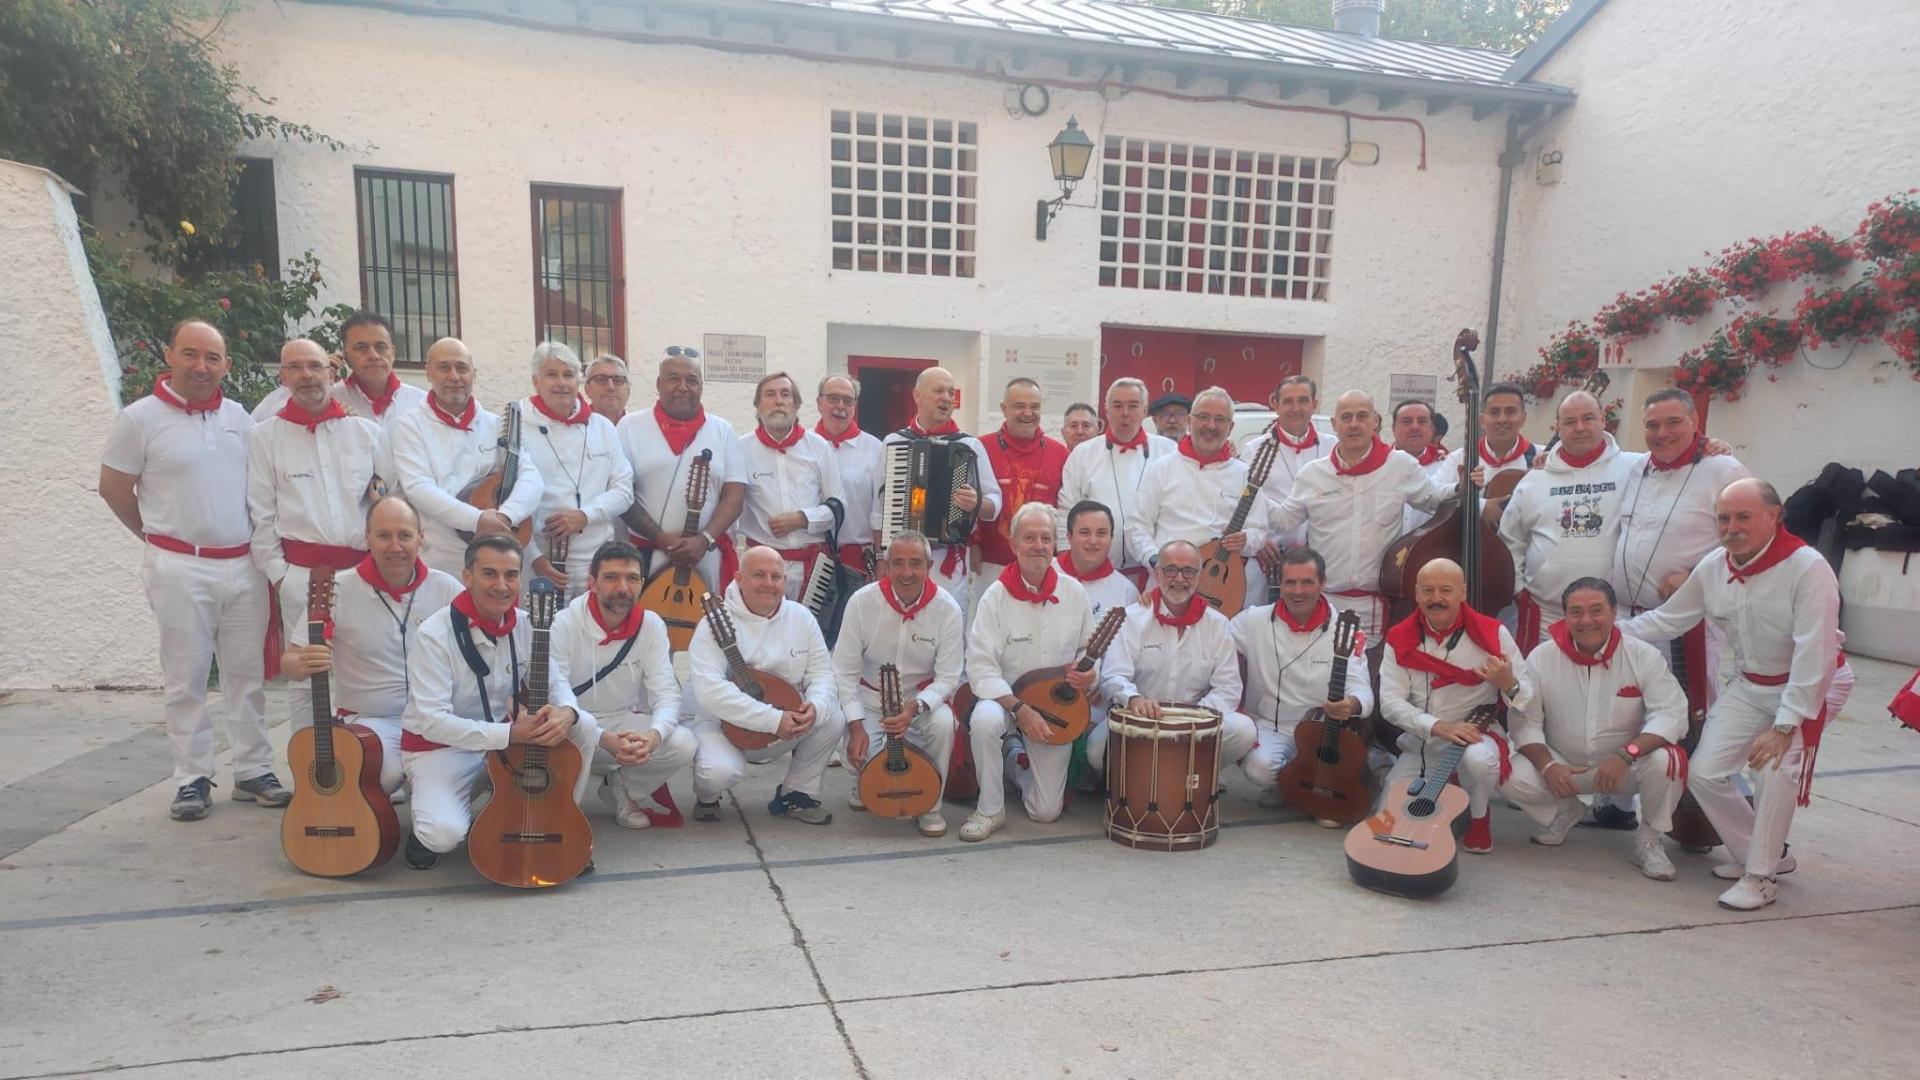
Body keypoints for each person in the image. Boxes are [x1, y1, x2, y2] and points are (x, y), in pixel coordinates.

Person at [1619, 479, 1840, 911]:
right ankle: (1763, 854)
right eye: (1724, 517)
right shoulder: (1715, 565)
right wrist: (1607, 631)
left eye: (1744, 516)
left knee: (1774, 771)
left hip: (1808, 683)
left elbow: (1817, 653)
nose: (1732, 527)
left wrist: (1784, 726)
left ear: (1775, 517)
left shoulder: (1807, 567)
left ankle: (1760, 877)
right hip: (1752, 683)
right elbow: (1667, 620)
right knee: (1704, 773)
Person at [98, 319, 284, 820]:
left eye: (212, 357)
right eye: (191, 354)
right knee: (187, 678)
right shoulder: (139, 419)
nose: (201, 366)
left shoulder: (241, 418)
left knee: (246, 677)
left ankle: (253, 770)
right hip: (180, 567)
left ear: (225, 364)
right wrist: (155, 539)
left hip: (244, 566)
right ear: (170, 355)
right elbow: (114, 488)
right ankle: (192, 778)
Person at [399, 535, 635, 870]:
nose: (502, 585)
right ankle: (435, 805)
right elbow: (432, 721)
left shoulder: (527, 624)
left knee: (581, 723)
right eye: (489, 574)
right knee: (443, 834)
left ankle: (558, 816)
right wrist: (511, 735)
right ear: (467, 576)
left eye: (510, 575)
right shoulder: (434, 635)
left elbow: (556, 683)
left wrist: (566, 712)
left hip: (504, 746)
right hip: (440, 749)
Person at [248, 338, 394, 730]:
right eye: (294, 368)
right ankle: (312, 772)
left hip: (362, 573)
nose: (306, 375)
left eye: (314, 366)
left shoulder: (366, 433)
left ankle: (371, 762)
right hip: (301, 575)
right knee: (306, 678)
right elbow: (260, 514)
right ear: (283, 377)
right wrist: (279, 574)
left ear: (332, 373)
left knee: (366, 666)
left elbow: (386, 500)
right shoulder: (264, 437)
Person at [1501, 578, 1689, 879]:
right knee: (1505, 770)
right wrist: (1548, 766)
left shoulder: (1643, 655)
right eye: (1576, 612)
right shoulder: (1542, 657)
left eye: (1596, 610)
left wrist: (1626, 754)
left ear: (1615, 612)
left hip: (1623, 769)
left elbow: (1672, 714)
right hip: (1565, 768)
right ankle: (1565, 810)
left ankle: (1650, 840)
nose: (1586, 620)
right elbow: (1526, 721)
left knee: (1670, 761)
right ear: (1565, 616)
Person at [279, 496, 462, 798]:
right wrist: (301, 663)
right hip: (371, 722)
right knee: (377, 775)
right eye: (383, 535)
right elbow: (290, 661)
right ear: (367, 538)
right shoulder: (338, 588)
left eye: (404, 535)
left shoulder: (447, 588)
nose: (395, 546)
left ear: (421, 538)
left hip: (436, 717)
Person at [1264, 390, 1454, 643]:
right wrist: (1247, 489)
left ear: (1375, 421)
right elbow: (1283, 520)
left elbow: (1434, 499)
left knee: (1370, 677)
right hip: (1324, 601)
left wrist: (1466, 486)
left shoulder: (1399, 466)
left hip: (1378, 605)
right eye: (1346, 417)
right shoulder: (1314, 474)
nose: (1354, 424)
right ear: (1334, 424)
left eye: (1362, 416)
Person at [1379, 558, 1533, 855]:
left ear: (1462, 592)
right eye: (1428, 590)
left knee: (1478, 761)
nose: (1436, 598)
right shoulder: (1399, 637)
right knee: (1385, 820)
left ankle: (1479, 816)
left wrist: (1507, 682)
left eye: (1446, 590)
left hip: (1475, 734)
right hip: (1423, 739)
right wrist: (1436, 727)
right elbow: (1389, 702)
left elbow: (1526, 698)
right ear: (1416, 593)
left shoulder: (1493, 633)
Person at [962, 504, 1096, 842]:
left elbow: (1088, 651)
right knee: (985, 721)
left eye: (1046, 538)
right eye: (1030, 538)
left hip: (1054, 705)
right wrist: (1019, 711)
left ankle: (1013, 759)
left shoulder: (1074, 593)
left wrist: (1088, 675)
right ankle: (990, 808)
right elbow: (980, 666)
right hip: (1006, 698)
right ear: (1014, 543)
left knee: (1045, 811)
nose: (1038, 545)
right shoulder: (994, 596)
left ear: (1055, 545)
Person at [686, 546, 846, 824]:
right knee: (717, 774)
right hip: (724, 726)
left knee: (832, 718)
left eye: (776, 576)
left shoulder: (801, 617)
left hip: (785, 722)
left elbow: (822, 675)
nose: (768, 584)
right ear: (739, 578)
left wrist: (815, 708)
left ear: (785, 581)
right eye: (759, 575)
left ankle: (795, 793)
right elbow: (710, 690)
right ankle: (707, 796)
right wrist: (772, 719)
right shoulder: (714, 622)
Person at [548, 540, 695, 830]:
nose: (623, 588)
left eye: (632, 578)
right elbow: (558, 693)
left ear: (642, 583)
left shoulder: (651, 624)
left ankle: (623, 788)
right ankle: (565, 820)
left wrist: (653, 735)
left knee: (683, 743)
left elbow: (666, 692)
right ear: (592, 582)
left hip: (620, 723)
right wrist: (602, 737)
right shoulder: (564, 623)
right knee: (578, 730)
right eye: (611, 577)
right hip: (572, 727)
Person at [831, 531, 965, 837]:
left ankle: (931, 806)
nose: (907, 573)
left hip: (919, 703)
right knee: (852, 748)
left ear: (929, 566)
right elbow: (844, 670)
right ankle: (862, 778)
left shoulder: (947, 609)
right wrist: (856, 727)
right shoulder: (862, 603)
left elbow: (948, 676)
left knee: (944, 724)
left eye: (916, 563)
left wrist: (916, 707)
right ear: (886, 565)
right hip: (871, 702)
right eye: (899, 563)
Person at [1091, 540, 1256, 783]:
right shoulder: (1133, 618)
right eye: (1170, 570)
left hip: (1194, 722)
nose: (1179, 578)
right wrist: (1134, 699)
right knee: (1097, 750)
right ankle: (1154, 780)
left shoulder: (1217, 624)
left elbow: (1229, 687)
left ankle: (1193, 776)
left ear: (1199, 576)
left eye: (1188, 571)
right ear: (1157, 573)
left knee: (1243, 730)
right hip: (1142, 719)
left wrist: (1195, 717)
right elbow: (1113, 676)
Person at [1230, 546, 1373, 818]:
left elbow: (1360, 685)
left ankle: (1311, 782)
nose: (1298, 591)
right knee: (1259, 770)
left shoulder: (1346, 627)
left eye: (1307, 582)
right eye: (1290, 583)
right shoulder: (1253, 620)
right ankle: (1295, 786)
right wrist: (1152, 603)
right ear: (1280, 585)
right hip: (1272, 727)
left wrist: (1352, 704)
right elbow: (1210, 631)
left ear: (1323, 583)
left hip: (1321, 730)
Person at [390, 338, 545, 576]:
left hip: (496, 558)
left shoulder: (495, 424)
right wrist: (476, 519)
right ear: (428, 373)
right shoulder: (410, 426)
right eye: (444, 367)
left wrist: (506, 516)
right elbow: (418, 487)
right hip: (440, 559)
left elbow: (531, 476)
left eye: (462, 368)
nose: (454, 376)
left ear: (474, 374)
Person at [1499, 391, 1637, 654]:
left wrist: (1711, 447)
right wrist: (1520, 590)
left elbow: (1679, 469)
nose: (1580, 428)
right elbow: (1511, 540)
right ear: (1558, 428)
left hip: (1612, 613)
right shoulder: (1534, 480)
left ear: (1603, 420)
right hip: (1547, 613)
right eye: (1570, 421)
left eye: (1588, 418)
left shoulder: (1634, 468)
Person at [617, 347, 748, 604]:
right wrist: (661, 538)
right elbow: (621, 492)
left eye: (692, 380)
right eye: (673, 378)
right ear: (658, 384)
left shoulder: (722, 430)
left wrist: (705, 539)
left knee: (706, 633)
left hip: (705, 557)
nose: (683, 387)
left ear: (701, 386)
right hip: (647, 554)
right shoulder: (630, 427)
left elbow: (734, 494)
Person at [1125, 387, 1269, 607]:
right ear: (1190, 421)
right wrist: (1155, 559)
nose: (1211, 426)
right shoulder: (1161, 469)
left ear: (1231, 427)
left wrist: (1246, 540)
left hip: (1223, 588)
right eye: (1203, 417)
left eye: (1219, 419)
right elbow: (1137, 526)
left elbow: (1259, 530)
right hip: (1169, 583)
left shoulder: (1245, 475)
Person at [874, 366, 1002, 613]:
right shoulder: (894, 443)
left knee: (948, 629)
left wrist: (976, 503)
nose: (946, 398)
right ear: (917, 396)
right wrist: (881, 559)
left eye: (951, 392)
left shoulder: (967, 444)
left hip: (948, 562)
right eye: (939, 391)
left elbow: (995, 503)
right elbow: (877, 509)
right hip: (902, 561)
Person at [519, 342, 634, 599]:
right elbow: (506, 500)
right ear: (536, 381)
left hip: (597, 561)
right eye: (552, 374)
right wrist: (535, 559)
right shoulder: (518, 425)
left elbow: (624, 491)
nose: (561, 382)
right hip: (539, 561)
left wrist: (585, 515)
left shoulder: (603, 428)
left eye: (568, 375)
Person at [1056, 378, 1176, 589]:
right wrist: (1067, 563)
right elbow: (1067, 511)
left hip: (1155, 575)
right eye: (1118, 405)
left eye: (1133, 405)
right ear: (1106, 409)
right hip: (1095, 575)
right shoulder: (1083, 454)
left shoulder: (1168, 452)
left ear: (1145, 410)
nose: (1125, 413)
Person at [736, 371, 844, 600]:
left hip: (813, 569)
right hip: (761, 569)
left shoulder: (818, 447)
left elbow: (837, 507)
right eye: (770, 395)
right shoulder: (740, 449)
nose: (778, 401)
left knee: (809, 633)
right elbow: (730, 507)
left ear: (796, 405)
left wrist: (803, 518)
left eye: (785, 394)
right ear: (758, 405)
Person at [251, 311, 427, 437]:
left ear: (393, 352)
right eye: (361, 348)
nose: (373, 355)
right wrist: (314, 368)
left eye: (381, 347)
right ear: (346, 354)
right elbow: (261, 423)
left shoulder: (420, 403)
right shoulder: (330, 400)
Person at [973, 377, 1069, 584]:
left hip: (1042, 564)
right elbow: (970, 500)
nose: (1028, 413)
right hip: (991, 565)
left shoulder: (1059, 453)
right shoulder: (981, 448)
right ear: (1004, 408)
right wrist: (971, 543)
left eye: (1034, 406)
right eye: (1019, 406)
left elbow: (1065, 508)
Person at [1240, 374, 1331, 552]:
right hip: (1269, 556)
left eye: (1303, 401)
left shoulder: (1333, 447)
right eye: (1288, 401)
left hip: (1320, 555)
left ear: (1314, 404)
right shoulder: (1254, 451)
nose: (1296, 408)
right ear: (1275, 404)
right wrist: (1259, 540)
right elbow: (1241, 502)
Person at [815, 374, 884, 574]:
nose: (840, 406)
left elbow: (882, 509)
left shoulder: (875, 448)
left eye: (847, 401)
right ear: (819, 403)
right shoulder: (804, 446)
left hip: (861, 559)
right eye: (833, 399)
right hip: (814, 557)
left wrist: (881, 558)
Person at [1448, 381, 1536, 524]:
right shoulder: (1459, 458)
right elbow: (1433, 499)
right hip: (1471, 545)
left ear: (1523, 418)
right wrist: (1480, 506)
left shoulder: (1542, 457)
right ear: (1482, 420)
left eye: (1511, 412)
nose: (1502, 419)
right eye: (1494, 412)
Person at [1055, 501, 1141, 618]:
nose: (1093, 541)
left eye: (1101, 533)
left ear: (1111, 538)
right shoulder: (1045, 573)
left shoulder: (1127, 593)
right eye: (1085, 532)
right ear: (1069, 537)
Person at [1390, 400, 1451, 533]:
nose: (1415, 427)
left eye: (1422, 421)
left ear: (1432, 430)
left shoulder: (1447, 465)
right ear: (1393, 429)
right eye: (1406, 421)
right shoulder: (1379, 465)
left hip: (1427, 550)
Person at [582, 354, 633, 424]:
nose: (610, 387)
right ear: (587, 389)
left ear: (628, 391)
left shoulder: (639, 428)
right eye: (601, 379)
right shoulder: (573, 430)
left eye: (618, 380)